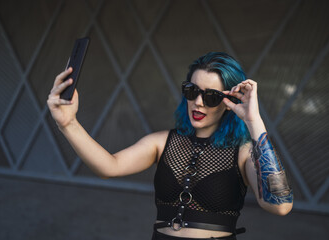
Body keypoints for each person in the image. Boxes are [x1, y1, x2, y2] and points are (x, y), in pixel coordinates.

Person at [47, 52, 293, 240]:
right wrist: (68, 123)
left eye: (211, 96)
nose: (198, 102)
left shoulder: (243, 152)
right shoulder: (161, 141)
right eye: (192, 91)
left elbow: (280, 206)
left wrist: (254, 121)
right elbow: (108, 167)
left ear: (230, 101)